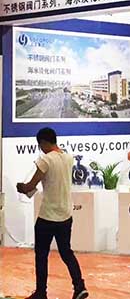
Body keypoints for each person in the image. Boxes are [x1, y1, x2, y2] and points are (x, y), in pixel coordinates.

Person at [16, 128, 88, 299]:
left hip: (48, 215)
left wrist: (21, 187)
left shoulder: (45, 160)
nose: (40, 149)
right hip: (65, 214)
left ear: (43, 142)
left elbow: (31, 185)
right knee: (66, 252)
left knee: (41, 255)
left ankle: (41, 292)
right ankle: (79, 286)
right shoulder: (68, 157)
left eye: (40, 145)